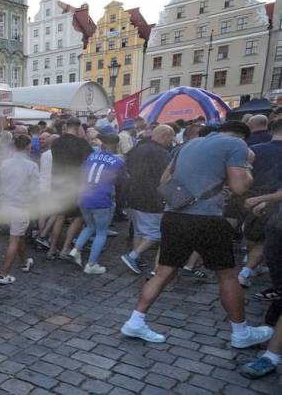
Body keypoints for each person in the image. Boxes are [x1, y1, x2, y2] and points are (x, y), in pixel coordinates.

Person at [120, 121, 273, 349]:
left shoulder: (188, 145)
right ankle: (241, 332)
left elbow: (164, 181)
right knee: (228, 277)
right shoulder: (236, 145)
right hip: (208, 219)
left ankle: (135, 321)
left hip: (174, 216)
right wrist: (248, 166)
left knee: (162, 273)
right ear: (242, 136)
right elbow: (240, 187)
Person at [121, 125, 175, 274]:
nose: (171, 142)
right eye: (170, 139)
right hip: (151, 197)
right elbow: (167, 177)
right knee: (156, 234)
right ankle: (133, 256)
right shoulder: (162, 153)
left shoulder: (138, 148)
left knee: (139, 231)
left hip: (133, 194)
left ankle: (136, 257)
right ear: (164, 136)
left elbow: (127, 168)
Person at [68, 134, 125, 274]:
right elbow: (123, 181)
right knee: (101, 232)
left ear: (102, 144)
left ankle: (76, 250)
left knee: (89, 226)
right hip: (101, 200)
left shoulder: (91, 156)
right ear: (116, 145)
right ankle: (91, 264)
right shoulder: (118, 161)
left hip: (84, 197)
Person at [240, 119, 282, 289]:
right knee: (263, 240)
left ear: (272, 131)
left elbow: (243, 174)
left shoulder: (255, 150)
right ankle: (247, 270)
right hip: (274, 201)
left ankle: (249, 266)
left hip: (252, 196)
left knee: (252, 235)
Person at [46, 118, 93, 260]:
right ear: (79, 128)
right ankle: (65, 248)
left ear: (66, 127)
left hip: (58, 183)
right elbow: (89, 162)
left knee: (59, 216)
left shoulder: (56, 142)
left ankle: (52, 249)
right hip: (75, 185)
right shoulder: (82, 143)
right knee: (78, 217)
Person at [0, 135, 39, 284]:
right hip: (20, 207)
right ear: (29, 148)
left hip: (5, 205)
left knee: (18, 234)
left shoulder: (5, 163)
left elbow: (0, 182)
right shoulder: (32, 166)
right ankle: (4, 274)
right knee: (14, 239)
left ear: (14, 147)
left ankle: (24, 262)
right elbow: (35, 190)